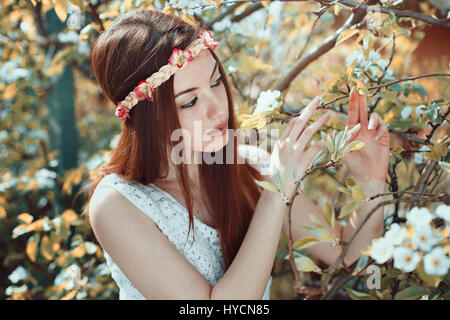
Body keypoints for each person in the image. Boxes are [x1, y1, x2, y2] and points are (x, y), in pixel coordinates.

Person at [86, 9, 390, 300]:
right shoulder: (116, 205)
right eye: (190, 102)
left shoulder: (249, 168)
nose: (219, 108)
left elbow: (351, 264)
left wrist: (369, 184)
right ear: (146, 116)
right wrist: (276, 191)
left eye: (216, 82)